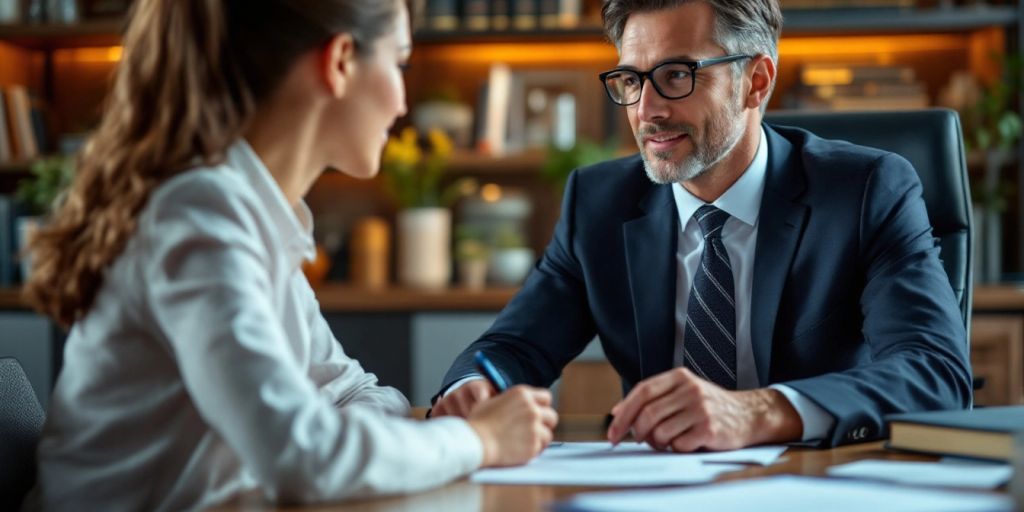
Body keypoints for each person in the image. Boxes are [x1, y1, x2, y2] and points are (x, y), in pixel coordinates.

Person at [22, 1, 557, 510]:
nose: (402, 102)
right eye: (398, 63)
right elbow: (302, 455)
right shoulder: (199, 214)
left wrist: (361, 431)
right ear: (340, 61)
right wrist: (475, 441)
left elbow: (351, 393)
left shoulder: (255, 215)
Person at [433, 0, 971, 452]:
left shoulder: (865, 191)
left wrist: (757, 413)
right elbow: (513, 348)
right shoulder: (598, 203)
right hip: (660, 490)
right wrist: (476, 383)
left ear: (755, 82)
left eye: (676, 76)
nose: (647, 111)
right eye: (630, 79)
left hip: (816, 482)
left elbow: (936, 374)